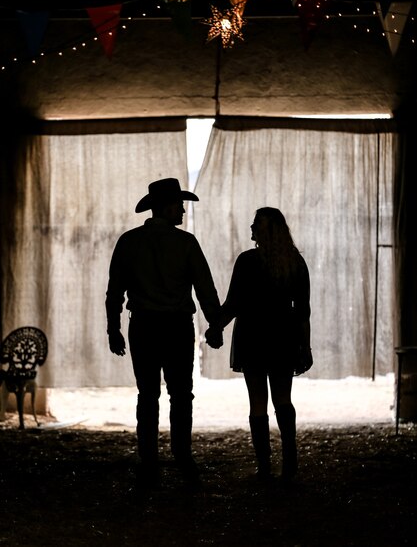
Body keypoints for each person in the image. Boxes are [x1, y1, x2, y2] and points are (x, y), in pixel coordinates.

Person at [106, 177, 223, 487]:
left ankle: (148, 460)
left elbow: (114, 291)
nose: (183, 211)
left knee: (148, 394)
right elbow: (205, 289)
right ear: (168, 207)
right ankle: (182, 456)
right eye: (179, 205)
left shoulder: (129, 242)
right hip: (177, 327)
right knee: (181, 394)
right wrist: (215, 323)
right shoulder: (186, 244)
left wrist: (113, 328)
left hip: (142, 326)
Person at [207, 207, 312, 481]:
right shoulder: (295, 263)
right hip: (283, 337)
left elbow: (233, 304)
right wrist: (306, 346)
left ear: (266, 231)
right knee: (283, 400)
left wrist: (216, 326)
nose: (251, 228)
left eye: (256, 225)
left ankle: (264, 466)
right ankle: (290, 463)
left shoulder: (247, 261)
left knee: (257, 403)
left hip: (252, 336)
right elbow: (302, 312)